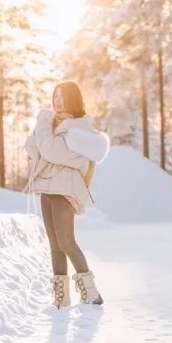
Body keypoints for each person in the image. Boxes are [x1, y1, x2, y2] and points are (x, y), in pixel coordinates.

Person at [24, 81, 110, 308]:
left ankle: (90, 291)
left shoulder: (78, 130)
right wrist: (43, 126)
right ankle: (61, 297)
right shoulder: (53, 125)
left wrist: (43, 124)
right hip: (47, 188)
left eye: (62, 96)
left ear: (73, 99)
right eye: (55, 95)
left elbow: (51, 151)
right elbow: (33, 149)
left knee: (66, 241)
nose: (57, 100)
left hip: (64, 190)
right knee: (54, 244)